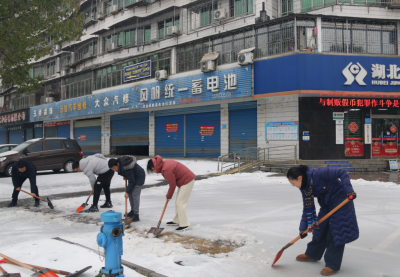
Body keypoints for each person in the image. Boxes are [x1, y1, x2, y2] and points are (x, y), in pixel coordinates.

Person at [286, 165, 359, 276]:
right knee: (320, 228)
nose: (294, 186)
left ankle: (332, 264)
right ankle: (312, 254)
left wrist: (349, 190)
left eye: (293, 183)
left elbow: (342, 172)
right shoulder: (305, 187)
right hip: (327, 205)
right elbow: (307, 207)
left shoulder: (319, 173)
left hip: (341, 203)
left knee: (336, 232)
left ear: (299, 178)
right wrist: (303, 228)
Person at [147, 155, 195, 231]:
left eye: (153, 169)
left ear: (155, 165)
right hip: (183, 181)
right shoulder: (164, 164)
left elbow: (172, 185)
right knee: (178, 202)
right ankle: (177, 220)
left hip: (187, 181)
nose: (154, 171)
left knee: (180, 203)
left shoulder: (166, 169)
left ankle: (184, 224)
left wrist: (169, 196)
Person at [108, 156, 145, 222]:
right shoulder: (122, 166)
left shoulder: (125, 168)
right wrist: (126, 176)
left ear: (117, 164)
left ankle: (136, 215)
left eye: (114, 168)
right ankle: (132, 211)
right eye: (112, 169)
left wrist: (127, 191)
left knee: (135, 195)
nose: (114, 170)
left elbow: (132, 181)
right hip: (133, 176)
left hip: (139, 176)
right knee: (130, 194)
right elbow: (130, 176)